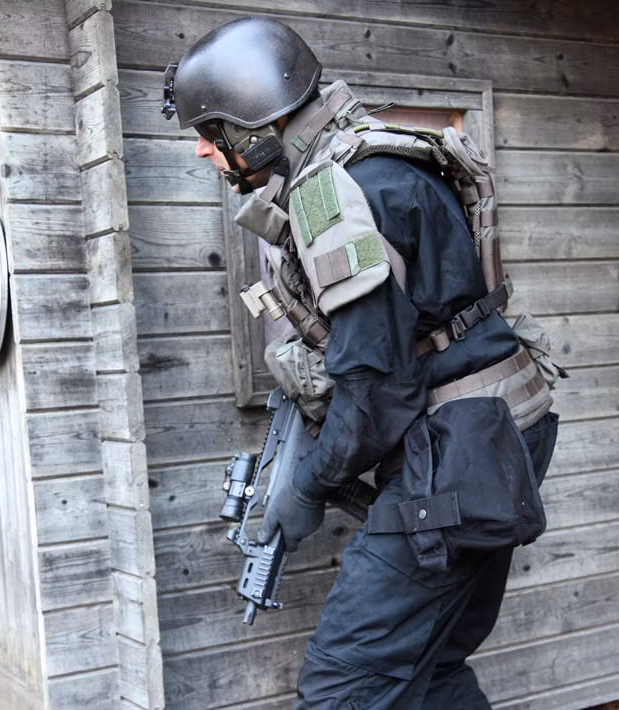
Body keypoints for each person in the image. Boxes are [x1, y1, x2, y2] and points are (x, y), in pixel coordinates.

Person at [163, 16, 560, 709]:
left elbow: (378, 390)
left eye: (210, 131)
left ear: (253, 124)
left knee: (342, 685)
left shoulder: (331, 197)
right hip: (502, 428)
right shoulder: (374, 158)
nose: (202, 150)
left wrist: (309, 486)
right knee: (432, 664)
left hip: (462, 449)